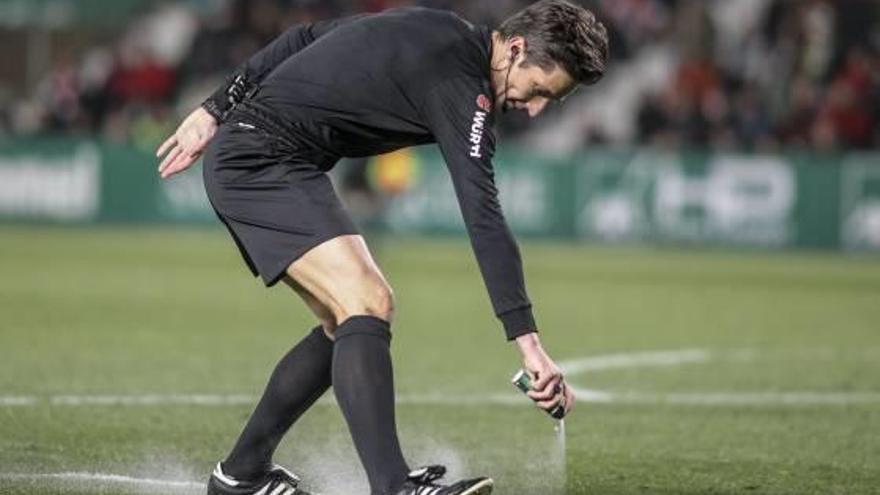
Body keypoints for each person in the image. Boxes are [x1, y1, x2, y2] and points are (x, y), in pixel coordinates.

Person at [156, 2, 608, 494]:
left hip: (271, 155)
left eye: (550, 100)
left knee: (345, 321)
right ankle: (392, 488)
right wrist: (529, 344)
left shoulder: (441, 26)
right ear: (516, 48)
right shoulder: (462, 87)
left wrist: (215, 107)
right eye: (539, 89)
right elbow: (483, 215)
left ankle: (240, 474)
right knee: (368, 301)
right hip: (258, 161)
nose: (535, 106)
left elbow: (303, 38)